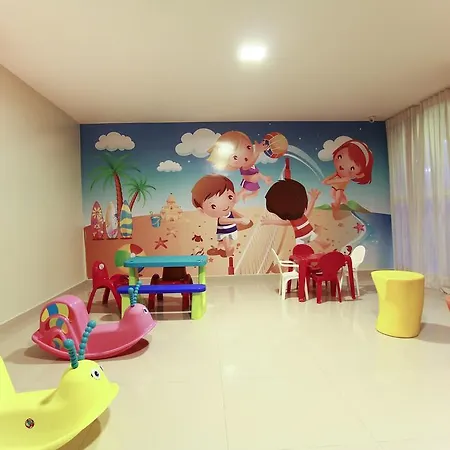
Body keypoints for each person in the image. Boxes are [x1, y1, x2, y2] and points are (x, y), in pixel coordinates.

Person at [191, 174, 250, 256]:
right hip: (224, 230)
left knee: (230, 239)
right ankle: (227, 250)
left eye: (229, 197)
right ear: (202, 210)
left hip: (231, 228)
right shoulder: (222, 217)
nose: (224, 205)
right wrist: (239, 220)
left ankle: (220, 248)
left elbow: (236, 199)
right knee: (225, 238)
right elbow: (222, 221)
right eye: (213, 206)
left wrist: (243, 191)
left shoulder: (231, 207)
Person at [207, 131, 272, 202]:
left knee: (254, 193)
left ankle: (243, 197)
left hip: (254, 182)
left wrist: (265, 178)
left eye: (248, 147)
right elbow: (250, 164)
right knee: (243, 192)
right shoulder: (245, 166)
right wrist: (257, 151)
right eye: (235, 157)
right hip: (249, 182)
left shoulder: (250, 165)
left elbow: (257, 173)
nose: (246, 154)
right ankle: (236, 199)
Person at [261, 179, 326, 247]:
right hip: (307, 231)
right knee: (313, 237)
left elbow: (285, 223)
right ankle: (322, 240)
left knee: (305, 243)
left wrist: (270, 221)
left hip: (302, 235)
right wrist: (313, 199)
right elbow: (308, 211)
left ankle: (320, 235)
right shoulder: (303, 215)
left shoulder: (295, 220)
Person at [322, 139, 374, 217]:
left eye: (352, 168)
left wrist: (330, 181)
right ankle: (346, 209)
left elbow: (328, 182)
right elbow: (325, 181)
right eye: (340, 156)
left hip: (339, 189)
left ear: (359, 174)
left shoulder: (346, 178)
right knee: (339, 198)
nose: (342, 165)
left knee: (338, 200)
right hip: (335, 188)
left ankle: (338, 212)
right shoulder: (337, 174)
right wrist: (331, 178)